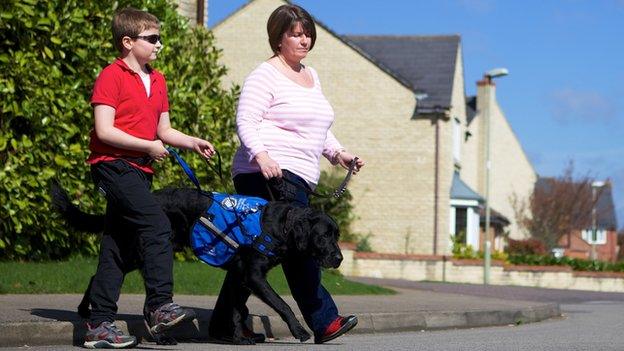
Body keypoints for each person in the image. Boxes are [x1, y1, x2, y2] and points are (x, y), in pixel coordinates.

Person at [208, 4, 365, 345]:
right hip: (267, 174)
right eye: (295, 33)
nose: (304, 39)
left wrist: (339, 154)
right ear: (278, 38)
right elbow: (246, 122)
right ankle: (324, 320)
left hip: (299, 177)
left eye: (307, 33)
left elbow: (318, 128)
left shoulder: (311, 75)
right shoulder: (265, 75)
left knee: (254, 255)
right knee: (302, 248)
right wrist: (261, 155)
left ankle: (225, 322)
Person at [82, 7, 215, 349]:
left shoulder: (157, 80)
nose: (159, 44)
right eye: (152, 38)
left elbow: (164, 130)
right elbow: (104, 130)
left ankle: (98, 326)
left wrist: (192, 142)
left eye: (159, 38)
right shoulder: (111, 75)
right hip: (112, 164)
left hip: (140, 170)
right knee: (157, 225)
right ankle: (159, 306)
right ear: (128, 42)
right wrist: (148, 145)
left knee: (117, 246)